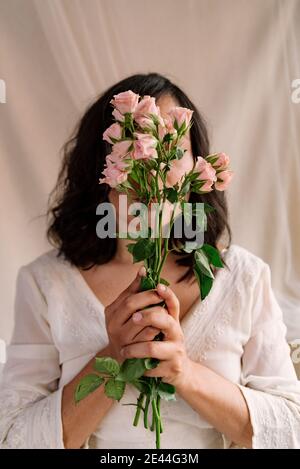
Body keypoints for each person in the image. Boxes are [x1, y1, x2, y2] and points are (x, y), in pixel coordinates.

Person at [1, 73, 300, 449]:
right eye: (135, 144)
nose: (152, 164)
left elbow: (291, 430)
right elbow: (14, 439)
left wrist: (184, 372)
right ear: (101, 170)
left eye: (171, 148)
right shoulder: (45, 283)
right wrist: (113, 355)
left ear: (195, 168)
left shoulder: (245, 278)